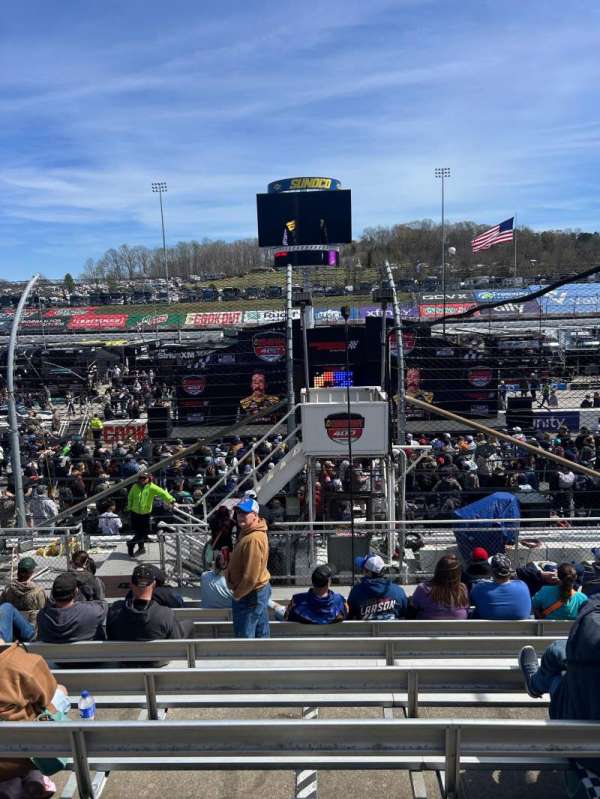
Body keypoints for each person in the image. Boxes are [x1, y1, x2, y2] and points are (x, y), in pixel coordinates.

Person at [518, 594, 600, 777]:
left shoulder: (592, 629)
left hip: (584, 744)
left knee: (557, 656)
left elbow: (590, 617)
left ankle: (536, 684)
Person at [0, 640, 67, 789]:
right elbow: (47, 696)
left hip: (5, 756)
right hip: (26, 753)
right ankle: (33, 773)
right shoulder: (23, 663)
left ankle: (23, 780)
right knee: (60, 691)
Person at [107, 564, 192, 640]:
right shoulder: (166, 614)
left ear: (131, 585)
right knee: (189, 624)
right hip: (160, 656)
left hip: (122, 657)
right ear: (154, 584)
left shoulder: (114, 611)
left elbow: (110, 636)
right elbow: (175, 642)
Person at [226, 497, 271, 638]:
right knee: (260, 633)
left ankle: (247, 660)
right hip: (254, 591)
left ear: (255, 515)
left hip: (249, 594)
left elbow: (251, 576)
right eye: (238, 513)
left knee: (244, 637)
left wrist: (237, 595)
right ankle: (262, 659)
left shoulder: (253, 538)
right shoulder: (248, 532)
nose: (240, 516)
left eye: (245, 513)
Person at [37, 573, 107, 643]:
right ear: (76, 591)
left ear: (53, 592)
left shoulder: (42, 616)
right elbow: (103, 605)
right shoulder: (91, 612)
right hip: (88, 653)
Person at [126, 469, 176, 557]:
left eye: (144, 478)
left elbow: (163, 493)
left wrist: (171, 500)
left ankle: (131, 544)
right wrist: (129, 508)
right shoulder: (135, 486)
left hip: (145, 514)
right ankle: (140, 547)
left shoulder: (152, 487)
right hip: (134, 513)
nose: (142, 480)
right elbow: (130, 497)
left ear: (149, 478)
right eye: (141, 478)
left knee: (144, 532)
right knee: (138, 532)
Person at [470, 553, 532, 620]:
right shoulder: (523, 586)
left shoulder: (479, 588)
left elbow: (473, 601)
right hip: (521, 630)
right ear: (509, 570)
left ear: (491, 571)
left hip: (487, 630)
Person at [347, 554, 407, 620]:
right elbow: (404, 613)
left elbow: (351, 615)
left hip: (364, 630)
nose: (362, 571)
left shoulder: (356, 591)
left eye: (363, 569)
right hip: (392, 630)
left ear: (369, 573)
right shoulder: (398, 591)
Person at [411, 554, 470, 620]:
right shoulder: (462, 589)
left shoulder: (423, 588)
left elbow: (412, 610)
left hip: (427, 629)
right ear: (458, 574)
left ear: (437, 570)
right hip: (459, 629)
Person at [0, 556, 46, 626]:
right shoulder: (38, 592)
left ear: (18, 572)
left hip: (13, 627)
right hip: (32, 629)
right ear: (31, 573)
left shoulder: (8, 589)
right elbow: (44, 611)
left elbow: (2, 606)